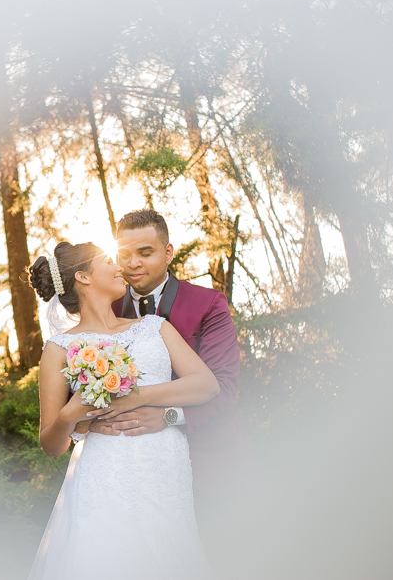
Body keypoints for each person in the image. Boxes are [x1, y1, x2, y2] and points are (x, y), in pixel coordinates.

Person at [26, 240, 218, 580]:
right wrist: (72, 415)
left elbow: (206, 385)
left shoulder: (154, 327)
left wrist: (138, 396)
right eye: (108, 261)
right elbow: (50, 445)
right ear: (83, 276)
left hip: (165, 466)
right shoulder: (59, 349)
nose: (121, 267)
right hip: (105, 475)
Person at [93, 209, 254, 557]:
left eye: (146, 252)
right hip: (137, 475)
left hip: (212, 467)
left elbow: (223, 387)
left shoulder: (208, 303)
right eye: (124, 254)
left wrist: (166, 416)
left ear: (168, 253)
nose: (133, 263)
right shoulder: (105, 309)